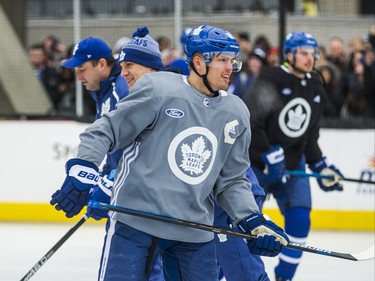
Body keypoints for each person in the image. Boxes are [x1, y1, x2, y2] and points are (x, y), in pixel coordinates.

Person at [50, 24, 289, 281]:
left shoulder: (236, 112)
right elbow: (106, 130)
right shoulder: (158, 89)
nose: (230, 67)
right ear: (198, 62)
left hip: (194, 230)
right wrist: (83, 166)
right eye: (222, 60)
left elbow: (232, 179)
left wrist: (251, 219)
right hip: (135, 223)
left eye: (232, 60)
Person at [59, 35, 164, 281]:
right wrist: (107, 177)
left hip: (141, 200)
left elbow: (141, 142)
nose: (78, 77)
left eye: (82, 69)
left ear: (102, 65)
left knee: (143, 268)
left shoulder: (122, 88)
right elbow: (114, 147)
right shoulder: (106, 91)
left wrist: (113, 181)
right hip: (133, 196)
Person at [243, 31, 345, 281]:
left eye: (312, 54)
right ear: (289, 54)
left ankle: (283, 276)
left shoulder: (314, 84)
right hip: (257, 164)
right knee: (242, 226)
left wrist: (320, 164)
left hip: (292, 165)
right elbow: (251, 120)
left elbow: (310, 135)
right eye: (304, 53)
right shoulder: (271, 79)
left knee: (300, 219)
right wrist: (267, 151)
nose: (310, 59)